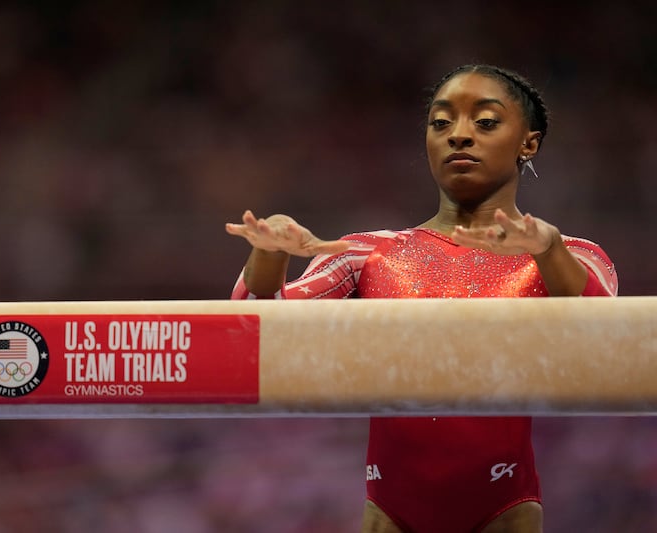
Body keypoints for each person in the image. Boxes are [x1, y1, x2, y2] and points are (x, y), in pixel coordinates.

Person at [225, 64, 618, 533]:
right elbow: (252, 335)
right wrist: (269, 253)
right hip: (390, 514)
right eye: (441, 122)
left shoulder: (571, 255)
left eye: (486, 122)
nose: (459, 135)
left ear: (527, 143)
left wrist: (547, 250)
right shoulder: (368, 252)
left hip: (503, 511)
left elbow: (610, 343)